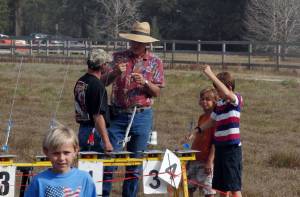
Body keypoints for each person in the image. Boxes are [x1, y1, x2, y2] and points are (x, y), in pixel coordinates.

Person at [101, 21, 165, 197]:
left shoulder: (155, 62)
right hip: (118, 114)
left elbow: (157, 91)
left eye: (139, 41)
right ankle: (104, 193)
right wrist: (114, 73)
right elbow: (102, 82)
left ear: (147, 43)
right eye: (133, 41)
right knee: (110, 158)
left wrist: (145, 83)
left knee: (135, 163)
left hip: (142, 115)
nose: (135, 44)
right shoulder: (118, 57)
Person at [197, 64, 243, 197]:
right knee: (222, 188)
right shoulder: (220, 105)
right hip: (220, 149)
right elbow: (212, 121)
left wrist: (210, 74)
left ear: (228, 87)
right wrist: (198, 129)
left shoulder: (236, 99)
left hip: (232, 150)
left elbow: (228, 94)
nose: (217, 93)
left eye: (218, 90)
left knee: (234, 187)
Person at [24, 123, 97, 197]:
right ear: (46, 152)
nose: (61, 158)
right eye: (56, 153)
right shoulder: (38, 181)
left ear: (75, 151)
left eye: (66, 153)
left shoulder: (85, 179)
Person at [74, 49, 113, 153]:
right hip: (94, 132)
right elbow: (97, 115)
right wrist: (106, 141)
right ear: (102, 66)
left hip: (82, 130)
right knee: (96, 164)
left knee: (86, 163)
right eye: (107, 63)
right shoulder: (98, 86)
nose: (108, 66)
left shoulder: (81, 81)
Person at [187, 87, 218, 197]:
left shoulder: (215, 119)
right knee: (189, 187)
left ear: (215, 101)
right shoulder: (202, 117)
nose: (204, 102)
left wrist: (210, 161)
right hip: (195, 159)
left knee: (207, 191)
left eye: (208, 99)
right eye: (202, 99)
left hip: (206, 161)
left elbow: (216, 142)